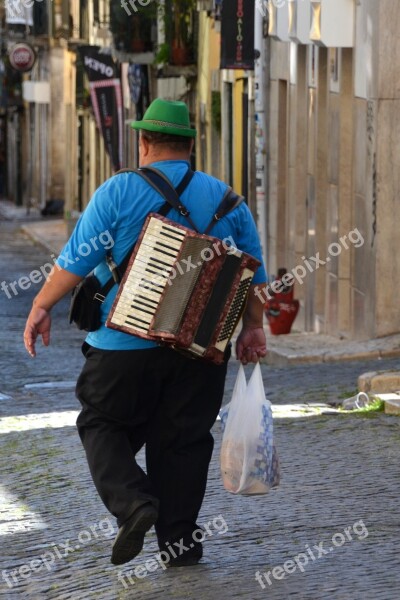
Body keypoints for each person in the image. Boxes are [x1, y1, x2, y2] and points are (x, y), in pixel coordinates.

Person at [23, 99, 267, 568]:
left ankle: (134, 503)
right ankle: (180, 545)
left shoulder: (117, 192)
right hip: (199, 350)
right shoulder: (228, 201)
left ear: (144, 141)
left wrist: (40, 305)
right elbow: (253, 280)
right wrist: (253, 330)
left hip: (123, 347)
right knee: (183, 442)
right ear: (190, 146)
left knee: (101, 422)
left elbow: (73, 262)